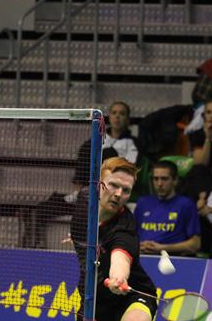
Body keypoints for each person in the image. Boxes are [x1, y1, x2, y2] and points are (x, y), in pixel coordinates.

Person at [71, 157, 156, 321]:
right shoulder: (84, 202)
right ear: (99, 183)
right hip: (96, 297)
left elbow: (121, 258)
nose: (119, 194)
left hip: (132, 290)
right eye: (114, 185)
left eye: (126, 190)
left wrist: (118, 277)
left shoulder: (125, 229)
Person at [30, 101, 138, 248]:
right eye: (114, 113)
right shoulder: (94, 141)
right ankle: (36, 244)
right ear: (109, 117)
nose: (117, 117)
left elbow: (130, 175)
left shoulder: (134, 144)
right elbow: (80, 176)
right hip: (89, 194)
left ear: (128, 119)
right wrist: (85, 194)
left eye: (122, 113)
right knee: (44, 208)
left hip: (113, 196)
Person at [133, 160, 201, 256]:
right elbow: (130, 235)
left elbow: (195, 244)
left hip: (171, 258)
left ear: (175, 180)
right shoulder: (142, 202)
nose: (159, 184)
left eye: (164, 179)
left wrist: (162, 248)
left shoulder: (186, 204)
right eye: (155, 179)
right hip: (141, 256)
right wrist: (137, 246)